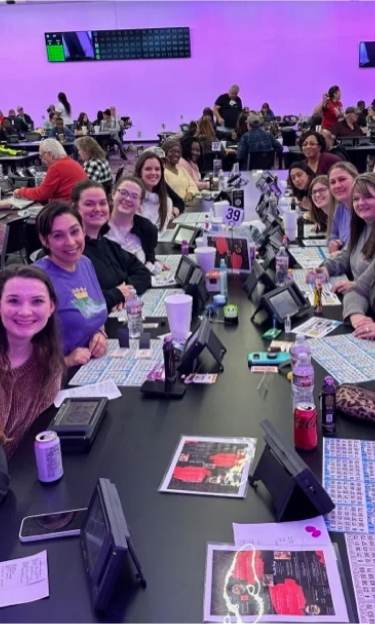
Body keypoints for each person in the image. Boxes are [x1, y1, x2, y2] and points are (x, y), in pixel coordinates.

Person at [0, 264, 64, 458]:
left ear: (51, 306)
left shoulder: (47, 360)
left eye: (37, 301)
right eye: (13, 301)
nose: (25, 312)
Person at [35, 202, 108, 367]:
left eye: (75, 231)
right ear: (44, 240)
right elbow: (20, 350)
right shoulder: (37, 281)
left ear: (83, 230)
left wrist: (99, 333)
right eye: (58, 235)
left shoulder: (85, 262)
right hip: (54, 378)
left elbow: (94, 310)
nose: (70, 242)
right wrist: (65, 361)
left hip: (90, 365)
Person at [71, 180, 151, 311]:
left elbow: (143, 273)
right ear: (75, 208)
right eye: (89, 204)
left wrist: (125, 292)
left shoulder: (110, 246)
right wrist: (118, 294)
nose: (97, 209)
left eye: (102, 203)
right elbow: (82, 302)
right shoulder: (72, 252)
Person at [106, 176, 160, 274]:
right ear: (113, 194)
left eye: (134, 196)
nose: (128, 199)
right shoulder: (99, 228)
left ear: (140, 203)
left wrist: (153, 263)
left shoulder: (148, 229)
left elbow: (150, 258)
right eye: (123, 192)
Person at [14, 139, 87, 203]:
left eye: (41, 155)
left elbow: (41, 194)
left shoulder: (56, 168)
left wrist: (21, 191)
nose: (42, 160)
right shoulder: (72, 162)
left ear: (50, 154)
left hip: (64, 208)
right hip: (75, 205)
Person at [134, 151, 173, 228]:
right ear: (139, 172)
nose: (153, 173)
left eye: (157, 169)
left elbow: (160, 233)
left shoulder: (167, 202)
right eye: (148, 169)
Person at [142, 146, 185, 215]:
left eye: (162, 162)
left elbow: (179, 202)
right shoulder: (135, 189)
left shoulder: (160, 182)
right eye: (149, 168)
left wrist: (174, 212)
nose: (160, 166)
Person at [326, 162, 358, 253]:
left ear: (356, 179)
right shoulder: (340, 209)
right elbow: (332, 234)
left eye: (342, 179)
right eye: (332, 182)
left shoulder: (363, 210)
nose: (337, 185)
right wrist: (333, 242)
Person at [163, 139, 199, 204]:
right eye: (172, 151)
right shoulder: (163, 173)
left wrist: (190, 193)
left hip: (187, 206)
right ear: (165, 153)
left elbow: (193, 186)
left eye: (178, 152)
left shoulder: (182, 170)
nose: (176, 154)